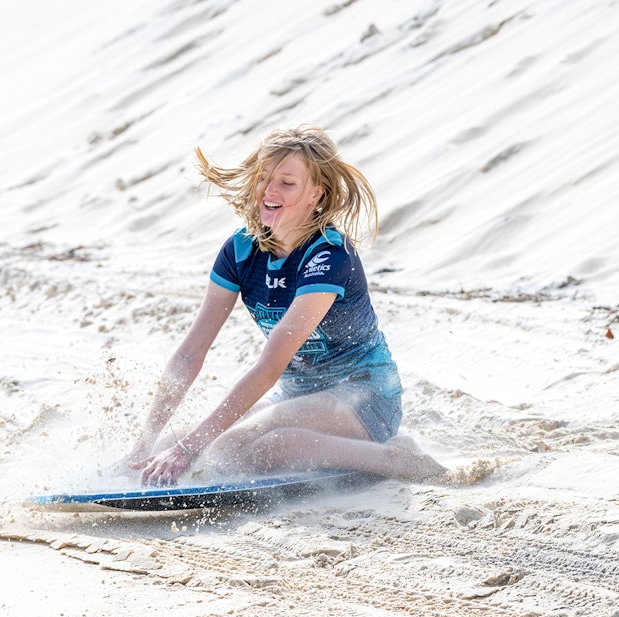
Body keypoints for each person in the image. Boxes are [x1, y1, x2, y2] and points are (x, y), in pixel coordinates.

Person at [127, 124, 447, 486]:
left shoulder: (329, 254)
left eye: (287, 183)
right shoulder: (240, 250)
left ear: (316, 194)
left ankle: (396, 457)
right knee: (176, 445)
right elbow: (190, 353)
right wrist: (146, 442)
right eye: (264, 178)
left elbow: (270, 365)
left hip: (364, 396)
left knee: (247, 449)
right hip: (296, 397)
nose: (268, 191)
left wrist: (187, 451)